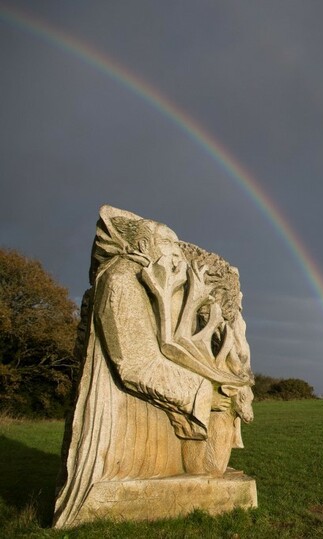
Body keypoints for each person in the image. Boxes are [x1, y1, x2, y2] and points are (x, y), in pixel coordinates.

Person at [54, 206, 253, 528]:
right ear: (144, 247)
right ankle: (195, 474)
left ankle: (202, 470)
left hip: (161, 394)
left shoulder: (150, 281)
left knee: (226, 399)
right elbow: (133, 362)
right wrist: (207, 391)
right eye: (170, 246)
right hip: (130, 412)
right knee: (221, 408)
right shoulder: (121, 280)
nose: (177, 255)